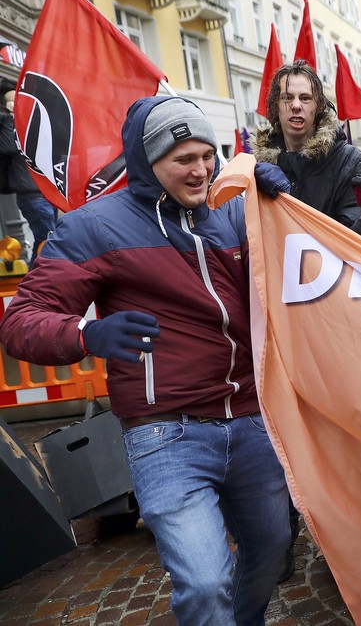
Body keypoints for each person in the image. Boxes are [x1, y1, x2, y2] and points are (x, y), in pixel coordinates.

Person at [0, 96, 292, 624]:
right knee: (205, 584)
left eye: (208, 154)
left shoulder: (229, 213)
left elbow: (302, 272)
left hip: (251, 421)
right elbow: (19, 324)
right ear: (147, 161)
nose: (201, 169)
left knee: (272, 555)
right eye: (184, 158)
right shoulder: (93, 226)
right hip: (166, 434)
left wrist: (278, 195)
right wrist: (87, 334)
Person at [252, 59, 361, 227]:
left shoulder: (348, 161)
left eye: (305, 98)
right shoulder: (258, 167)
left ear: (318, 106)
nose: (296, 105)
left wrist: (289, 201)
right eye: (287, 98)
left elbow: (350, 235)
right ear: (276, 106)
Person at [0, 79, 58, 266]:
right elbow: (8, 148)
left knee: (47, 239)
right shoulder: (7, 123)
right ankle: (37, 282)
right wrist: (10, 115)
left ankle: (36, 280)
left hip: (46, 190)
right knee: (48, 239)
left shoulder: (29, 121)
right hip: (31, 193)